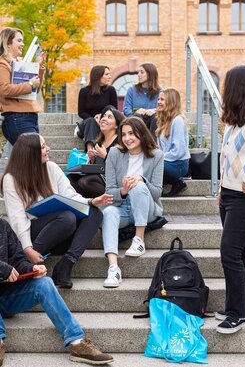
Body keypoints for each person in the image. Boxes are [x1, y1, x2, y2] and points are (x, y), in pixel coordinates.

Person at [1, 133, 113, 289]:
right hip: (34, 236)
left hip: (60, 232)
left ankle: (66, 264)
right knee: (66, 217)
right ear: (29, 152)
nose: (48, 149)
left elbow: (70, 195)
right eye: (43, 147)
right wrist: (28, 249)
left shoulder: (51, 168)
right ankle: (28, 264)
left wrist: (91, 201)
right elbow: (17, 219)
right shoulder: (11, 179)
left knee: (94, 212)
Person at [0, 218, 113, 367]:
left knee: (45, 283)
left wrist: (31, 269)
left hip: (8, 298)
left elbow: (18, 260)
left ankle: (77, 342)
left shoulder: (2, 225)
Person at [215, 65, 245, 334]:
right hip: (230, 194)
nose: (224, 90)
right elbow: (228, 158)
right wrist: (222, 187)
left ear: (238, 88)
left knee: (229, 251)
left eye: (227, 85)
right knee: (242, 252)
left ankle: (237, 313)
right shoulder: (235, 122)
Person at [101, 116, 164, 288]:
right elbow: (109, 191)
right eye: (124, 134)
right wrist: (123, 190)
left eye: (131, 133)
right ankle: (113, 268)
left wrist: (141, 180)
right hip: (123, 207)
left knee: (138, 184)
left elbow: (158, 192)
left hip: (147, 208)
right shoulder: (114, 153)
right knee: (108, 212)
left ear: (142, 134)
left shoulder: (156, 155)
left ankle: (139, 240)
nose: (127, 138)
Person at [0, 27, 46, 145]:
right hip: (17, 118)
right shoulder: (2, 64)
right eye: (19, 40)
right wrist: (29, 84)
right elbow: (4, 90)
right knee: (35, 156)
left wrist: (39, 68)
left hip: (29, 117)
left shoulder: (20, 64)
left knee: (31, 159)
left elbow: (35, 90)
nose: (23, 44)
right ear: (8, 43)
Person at [69, 105, 125, 198]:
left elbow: (121, 168)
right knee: (70, 179)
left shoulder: (120, 142)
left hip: (111, 180)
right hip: (97, 176)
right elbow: (96, 166)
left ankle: (112, 198)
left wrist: (106, 156)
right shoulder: (99, 141)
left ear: (116, 125)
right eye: (104, 116)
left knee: (85, 182)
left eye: (109, 117)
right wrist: (92, 159)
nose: (104, 119)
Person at [156, 88, 190, 197]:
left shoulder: (178, 121)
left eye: (162, 99)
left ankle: (176, 183)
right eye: (158, 99)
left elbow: (178, 151)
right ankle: (166, 185)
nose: (158, 102)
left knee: (153, 163)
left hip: (178, 164)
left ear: (171, 102)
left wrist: (159, 157)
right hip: (168, 161)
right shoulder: (164, 120)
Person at [76, 65, 118, 143]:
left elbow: (114, 110)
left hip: (105, 122)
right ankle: (90, 150)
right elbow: (81, 112)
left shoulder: (111, 90)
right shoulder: (84, 91)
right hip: (88, 123)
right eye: (107, 74)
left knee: (109, 107)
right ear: (98, 76)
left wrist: (101, 117)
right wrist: (94, 118)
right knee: (91, 121)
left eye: (109, 74)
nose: (110, 76)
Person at [123, 63, 161, 135]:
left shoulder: (160, 91)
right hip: (136, 122)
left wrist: (154, 110)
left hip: (153, 122)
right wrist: (136, 111)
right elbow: (126, 110)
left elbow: (165, 108)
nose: (138, 74)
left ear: (150, 74)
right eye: (138, 72)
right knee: (137, 117)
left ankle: (154, 144)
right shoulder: (132, 90)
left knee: (156, 117)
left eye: (142, 72)